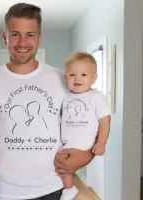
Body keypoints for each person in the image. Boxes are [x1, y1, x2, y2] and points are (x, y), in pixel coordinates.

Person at [0, 3, 94, 200]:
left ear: (39, 38)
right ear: (5, 37)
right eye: (15, 34)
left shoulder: (64, 80)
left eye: (30, 35)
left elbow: (92, 123)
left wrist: (85, 156)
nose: (22, 42)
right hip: (7, 193)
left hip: (54, 189)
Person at [59, 52, 111, 200]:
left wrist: (101, 143)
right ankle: (68, 187)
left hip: (84, 139)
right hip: (68, 139)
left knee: (62, 161)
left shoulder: (96, 97)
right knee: (60, 163)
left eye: (83, 74)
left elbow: (105, 121)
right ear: (66, 77)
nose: (77, 79)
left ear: (93, 78)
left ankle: (69, 190)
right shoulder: (67, 96)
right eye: (72, 75)